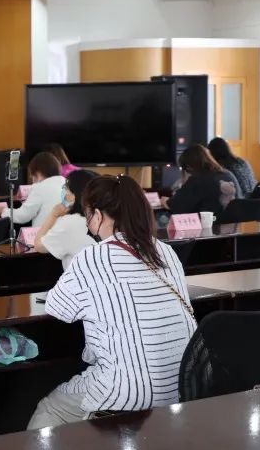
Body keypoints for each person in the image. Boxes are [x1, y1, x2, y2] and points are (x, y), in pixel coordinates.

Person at [27, 175, 196, 429]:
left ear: (97, 215)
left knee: (49, 409)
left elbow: (57, 307)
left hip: (128, 393)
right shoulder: (165, 251)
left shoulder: (92, 257)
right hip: (183, 387)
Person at [33, 169, 97, 268]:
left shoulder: (70, 222)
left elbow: (39, 246)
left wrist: (53, 214)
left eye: (66, 188)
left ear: (75, 194)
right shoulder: (104, 217)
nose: (64, 191)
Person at [0, 152, 67, 228]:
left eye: (32, 175)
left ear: (38, 173)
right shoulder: (67, 183)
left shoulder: (40, 187)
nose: (32, 180)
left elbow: (23, 216)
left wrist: (3, 211)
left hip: (47, 233)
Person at [165, 144, 239, 215]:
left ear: (189, 167)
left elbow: (176, 206)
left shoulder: (198, 179)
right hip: (235, 222)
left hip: (210, 223)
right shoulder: (228, 174)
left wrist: (165, 201)